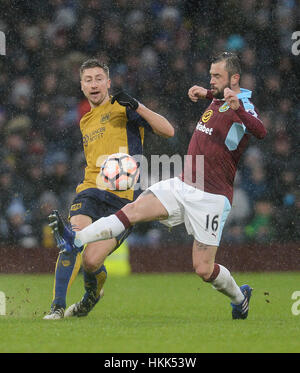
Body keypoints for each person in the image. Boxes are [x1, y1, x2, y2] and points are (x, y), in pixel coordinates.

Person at [50, 52, 267, 320]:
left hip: (211, 195)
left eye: (216, 76)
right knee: (134, 210)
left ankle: (239, 297)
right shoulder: (219, 99)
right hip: (184, 183)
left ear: (234, 78)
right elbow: (222, 101)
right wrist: (209, 95)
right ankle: (77, 239)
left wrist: (238, 108)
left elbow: (260, 131)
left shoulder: (242, 103)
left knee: (203, 269)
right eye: (210, 75)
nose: (210, 80)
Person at [44, 58, 174, 319]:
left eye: (98, 79)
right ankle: (57, 307)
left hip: (124, 200)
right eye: (88, 80)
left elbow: (168, 130)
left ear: (108, 83)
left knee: (92, 262)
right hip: (90, 190)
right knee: (72, 242)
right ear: (82, 86)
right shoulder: (85, 121)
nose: (94, 84)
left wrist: (138, 106)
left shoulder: (122, 107)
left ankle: (90, 296)